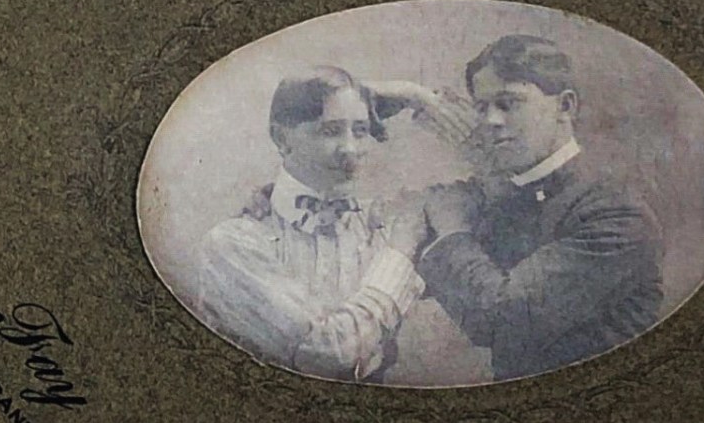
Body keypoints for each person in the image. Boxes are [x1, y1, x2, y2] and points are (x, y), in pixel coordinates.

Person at [382, 35, 664, 381]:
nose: (491, 120)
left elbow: (502, 320)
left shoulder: (615, 212)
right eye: (482, 108)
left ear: (565, 107)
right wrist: (368, 96)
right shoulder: (500, 195)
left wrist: (453, 232)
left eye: (509, 103)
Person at [195, 66, 428, 383]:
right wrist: (399, 256)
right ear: (281, 138)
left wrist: (418, 96)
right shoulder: (232, 243)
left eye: (360, 130)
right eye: (330, 131)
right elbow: (324, 355)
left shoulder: (381, 223)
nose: (350, 149)